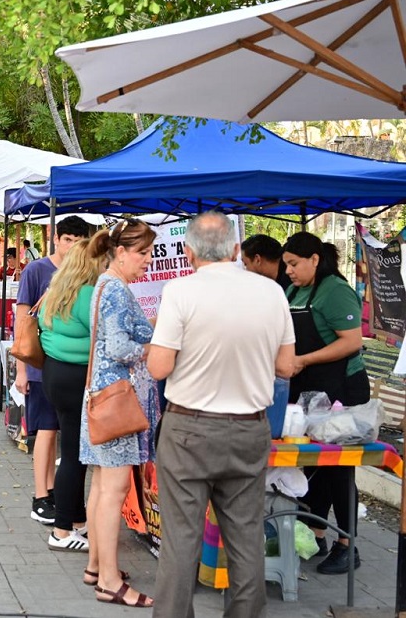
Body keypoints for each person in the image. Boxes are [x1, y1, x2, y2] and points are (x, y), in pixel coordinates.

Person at [147, 212, 295, 618]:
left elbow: (159, 367)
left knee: (181, 540)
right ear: (235, 249)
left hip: (189, 429)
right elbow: (285, 366)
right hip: (249, 427)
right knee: (246, 538)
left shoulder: (180, 291)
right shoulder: (272, 293)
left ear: (188, 251)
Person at [79, 219, 159, 608]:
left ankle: (97, 566)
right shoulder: (114, 288)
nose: (148, 260)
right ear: (121, 252)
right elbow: (118, 347)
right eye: (143, 253)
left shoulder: (107, 285)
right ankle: (109, 581)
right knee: (113, 490)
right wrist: (153, 351)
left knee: (101, 487)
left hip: (104, 399)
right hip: (117, 402)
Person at [283, 231, 370, 574]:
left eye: (294, 264)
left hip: (343, 390)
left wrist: (304, 359)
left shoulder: (334, 290)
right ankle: (315, 533)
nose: (288, 270)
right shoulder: (294, 291)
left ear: (314, 259)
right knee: (313, 465)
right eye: (286, 264)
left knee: (339, 468)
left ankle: (348, 545)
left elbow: (351, 341)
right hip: (310, 390)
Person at [16, 215, 92, 526]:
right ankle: (41, 496)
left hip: (69, 369)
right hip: (41, 365)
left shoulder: (86, 274)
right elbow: (23, 319)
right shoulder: (37, 270)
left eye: (78, 241)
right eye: (67, 240)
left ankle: (58, 495)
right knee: (46, 430)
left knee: (66, 437)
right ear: (56, 239)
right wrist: (21, 371)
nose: (72, 246)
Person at [38, 240, 104, 552]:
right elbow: (105, 336)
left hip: (55, 373)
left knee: (73, 450)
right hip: (78, 378)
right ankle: (62, 530)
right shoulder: (89, 294)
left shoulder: (56, 290)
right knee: (75, 456)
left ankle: (76, 521)